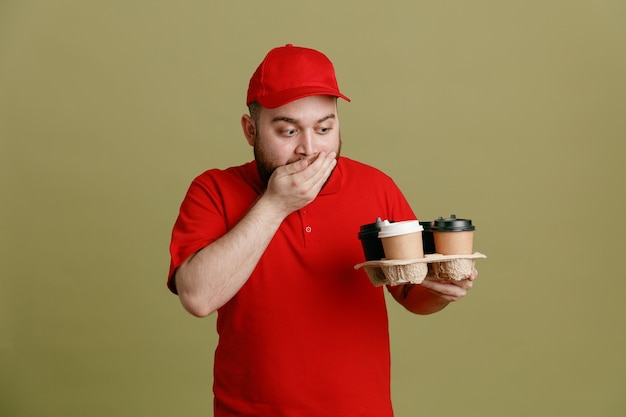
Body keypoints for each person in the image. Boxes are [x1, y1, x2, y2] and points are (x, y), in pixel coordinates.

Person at [167, 43, 477, 417]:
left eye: (324, 128)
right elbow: (198, 298)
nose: (309, 149)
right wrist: (275, 204)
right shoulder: (213, 190)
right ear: (251, 131)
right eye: (287, 131)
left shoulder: (376, 187)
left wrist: (441, 291)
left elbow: (411, 294)